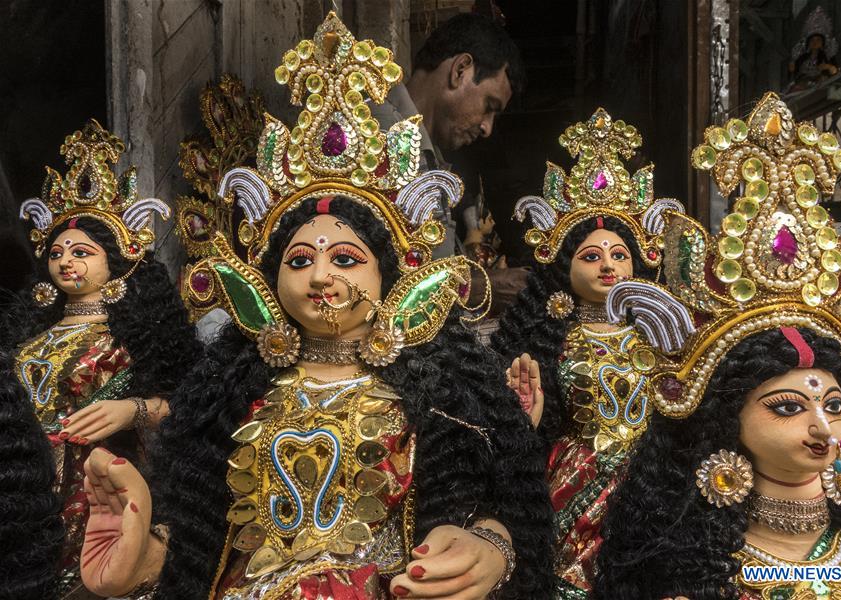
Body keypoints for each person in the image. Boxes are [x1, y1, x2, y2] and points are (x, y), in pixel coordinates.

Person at [77, 13, 553, 599]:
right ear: (270, 281)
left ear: (392, 276)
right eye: (299, 261)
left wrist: (493, 544)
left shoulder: (443, 392)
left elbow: (504, 498)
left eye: (347, 260)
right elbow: (203, 538)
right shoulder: (232, 390)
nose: (321, 274)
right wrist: (142, 557)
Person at [594, 92, 841, 598]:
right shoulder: (695, 569)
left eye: (833, 404)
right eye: (787, 407)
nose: (823, 426)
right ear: (723, 417)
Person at [3, 119, 201, 598]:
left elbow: (193, 405)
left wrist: (131, 410)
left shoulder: (141, 333)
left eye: (83, 251)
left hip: (96, 482)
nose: (66, 260)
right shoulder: (30, 333)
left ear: (117, 260)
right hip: (22, 481)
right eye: (57, 252)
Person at [491, 107, 683, 598]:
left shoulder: (656, 330)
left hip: (650, 472)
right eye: (591, 256)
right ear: (564, 266)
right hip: (575, 472)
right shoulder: (552, 334)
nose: (608, 265)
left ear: (638, 260)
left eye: (619, 254)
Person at [370, 12, 525, 258]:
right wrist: (480, 287)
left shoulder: (430, 157)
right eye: (489, 106)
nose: (487, 128)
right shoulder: (379, 131)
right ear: (460, 69)